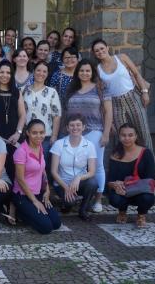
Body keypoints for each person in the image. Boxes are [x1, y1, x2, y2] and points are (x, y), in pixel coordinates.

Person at [93, 39, 155, 157]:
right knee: (122, 137)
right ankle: (128, 167)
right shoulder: (98, 69)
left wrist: (144, 92)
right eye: (97, 51)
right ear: (95, 54)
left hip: (133, 98)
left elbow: (136, 74)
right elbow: (101, 93)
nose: (100, 52)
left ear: (107, 47)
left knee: (143, 133)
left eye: (102, 48)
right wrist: (108, 120)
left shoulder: (121, 58)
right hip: (115, 104)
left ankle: (151, 168)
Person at [65, 59, 113, 212]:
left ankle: (98, 199)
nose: (84, 73)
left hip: (94, 131)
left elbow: (108, 112)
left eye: (88, 70)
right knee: (75, 164)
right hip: (74, 132)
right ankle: (79, 194)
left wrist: (105, 133)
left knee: (97, 165)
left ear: (92, 72)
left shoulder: (101, 87)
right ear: (77, 72)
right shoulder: (72, 89)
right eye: (81, 70)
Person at [12, 119, 61, 234]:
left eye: (41, 132)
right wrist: (34, 201)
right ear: (28, 133)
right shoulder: (21, 151)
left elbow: (43, 170)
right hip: (23, 195)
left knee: (56, 223)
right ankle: (18, 211)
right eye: (34, 133)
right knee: (46, 228)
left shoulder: (40, 147)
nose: (39, 136)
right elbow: (20, 179)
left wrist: (47, 190)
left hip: (38, 193)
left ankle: (29, 211)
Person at [0, 60, 26, 182]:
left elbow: (22, 115)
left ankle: (14, 197)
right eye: (2, 72)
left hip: (14, 137)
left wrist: (18, 133)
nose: (5, 75)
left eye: (8, 72)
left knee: (15, 167)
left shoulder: (17, 92)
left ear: (12, 75)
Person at [107, 123, 155, 228]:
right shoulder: (115, 155)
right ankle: (122, 211)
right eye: (123, 135)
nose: (127, 138)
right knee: (114, 199)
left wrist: (126, 183)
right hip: (122, 192)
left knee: (148, 198)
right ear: (119, 137)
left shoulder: (145, 153)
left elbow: (151, 178)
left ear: (136, 136)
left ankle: (141, 214)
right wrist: (114, 185)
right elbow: (110, 179)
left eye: (130, 135)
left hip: (140, 191)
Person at [50, 114, 98, 221]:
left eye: (78, 125)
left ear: (84, 127)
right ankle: (67, 204)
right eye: (72, 125)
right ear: (67, 128)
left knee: (93, 183)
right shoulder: (59, 144)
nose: (75, 128)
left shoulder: (89, 145)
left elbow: (92, 171)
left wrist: (78, 177)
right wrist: (66, 188)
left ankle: (83, 210)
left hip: (80, 182)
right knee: (69, 203)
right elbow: (53, 171)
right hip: (63, 183)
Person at [22, 61, 62, 171]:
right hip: (27, 136)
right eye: (38, 70)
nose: (41, 73)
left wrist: (54, 135)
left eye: (44, 71)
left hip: (45, 136)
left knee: (43, 167)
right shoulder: (24, 90)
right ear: (33, 72)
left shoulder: (51, 92)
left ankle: (44, 188)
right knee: (27, 166)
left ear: (47, 74)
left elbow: (57, 115)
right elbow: (20, 113)